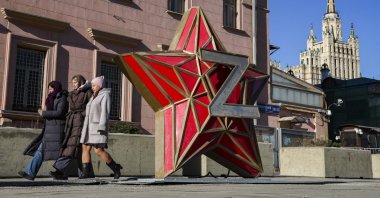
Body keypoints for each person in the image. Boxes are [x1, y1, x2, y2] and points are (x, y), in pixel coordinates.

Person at [18, 81, 68, 180]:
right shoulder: (51, 98)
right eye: (49, 89)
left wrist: (44, 113)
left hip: (56, 129)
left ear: (56, 88)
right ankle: (30, 172)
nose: (49, 91)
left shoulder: (62, 98)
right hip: (49, 129)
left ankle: (62, 172)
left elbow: (60, 112)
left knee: (59, 152)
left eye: (51, 89)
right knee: (41, 151)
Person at [50, 75, 94, 180]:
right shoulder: (71, 94)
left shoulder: (87, 92)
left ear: (81, 82)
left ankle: (59, 170)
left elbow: (91, 107)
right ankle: (87, 173)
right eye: (73, 82)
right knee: (78, 149)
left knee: (72, 145)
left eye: (76, 82)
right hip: (70, 122)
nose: (74, 84)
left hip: (80, 121)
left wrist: (83, 115)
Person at [80, 76, 123, 179]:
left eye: (94, 85)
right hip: (88, 127)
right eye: (92, 86)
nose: (92, 87)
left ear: (100, 86)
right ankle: (87, 173)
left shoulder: (105, 95)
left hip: (97, 127)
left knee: (98, 150)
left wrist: (102, 126)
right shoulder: (93, 96)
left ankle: (115, 168)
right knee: (85, 147)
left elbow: (105, 111)